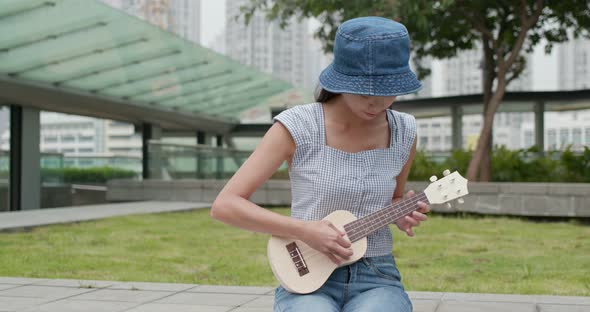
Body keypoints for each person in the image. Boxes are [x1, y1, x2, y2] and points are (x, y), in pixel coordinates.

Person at [211, 16, 430, 312]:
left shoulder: (405, 131)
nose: (376, 104)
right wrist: (305, 230)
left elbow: (392, 199)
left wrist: (400, 214)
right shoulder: (297, 126)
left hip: (376, 275)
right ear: (342, 80)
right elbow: (225, 205)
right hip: (306, 275)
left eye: (386, 92)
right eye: (365, 91)